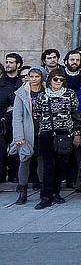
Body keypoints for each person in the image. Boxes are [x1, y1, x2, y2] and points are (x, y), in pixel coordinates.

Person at [32, 68, 80, 210]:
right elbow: (38, 113)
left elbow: (75, 114)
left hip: (64, 133)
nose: (58, 82)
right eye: (55, 79)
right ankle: (45, 196)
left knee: (60, 165)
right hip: (46, 133)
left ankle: (56, 193)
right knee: (48, 165)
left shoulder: (70, 94)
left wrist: (76, 132)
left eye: (61, 79)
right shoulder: (42, 96)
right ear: (50, 80)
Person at [11, 64, 46, 205]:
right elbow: (17, 116)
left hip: (42, 130)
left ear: (42, 77)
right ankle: (23, 191)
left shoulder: (46, 92)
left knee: (42, 162)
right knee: (24, 161)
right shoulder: (21, 93)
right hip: (27, 131)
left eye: (36, 76)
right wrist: (18, 136)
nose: (33, 79)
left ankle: (43, 190)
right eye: (31, 76)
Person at [1, 53, 24, 184]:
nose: (8, 64)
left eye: (11, 62)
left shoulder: (20, 80)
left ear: (18, 65)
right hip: (4, 119)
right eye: (7, 62)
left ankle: (15, 174)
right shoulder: (3, 79)